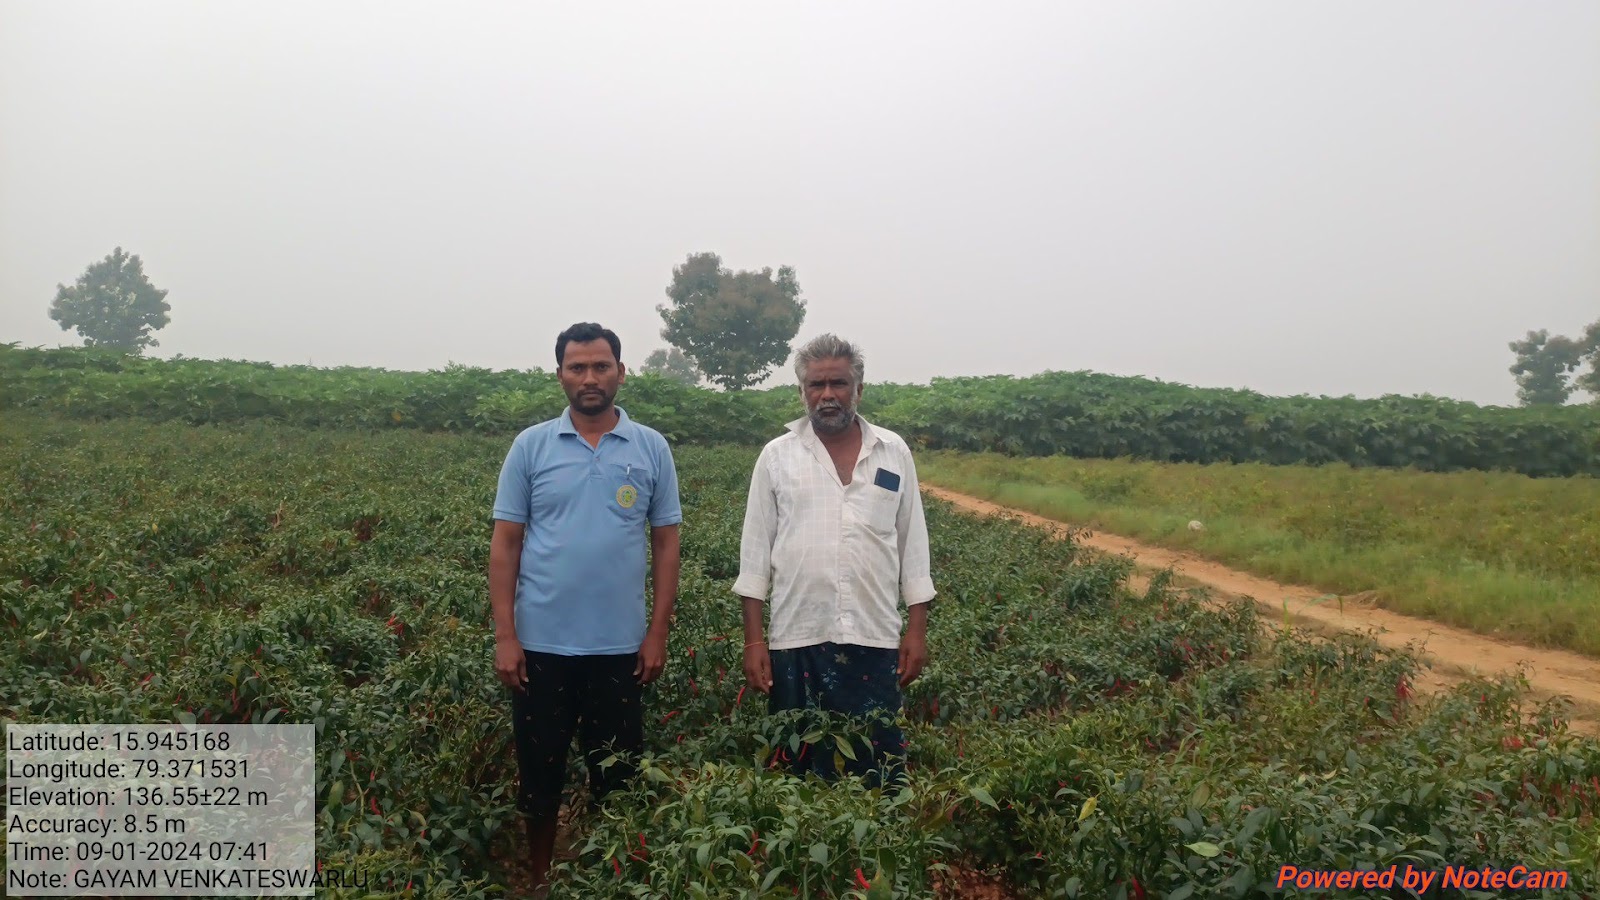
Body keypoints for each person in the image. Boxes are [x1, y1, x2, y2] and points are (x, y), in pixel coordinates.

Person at [488, 322, 682, 890]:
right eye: (578, 367)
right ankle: (541, 877)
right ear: (560, 376)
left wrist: (657, 633)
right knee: (539, 771)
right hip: (541, 647)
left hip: (620, 648)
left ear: (621, 372)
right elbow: (506, 543)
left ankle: (610, 877)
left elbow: (666, 543)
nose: (590, 377)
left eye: (601, 366)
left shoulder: (650, 447)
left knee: (618, 775)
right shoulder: (531, 446)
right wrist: (506, 636)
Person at [733, 333, 935, 786]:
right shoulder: (776, 457)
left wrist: (916, 631)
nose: (828, 394)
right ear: (802, 391)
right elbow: (755, 556)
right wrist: (753, 642)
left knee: (878, 772)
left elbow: (913, 548)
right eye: (817, 385)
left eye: (839, 384)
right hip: (797, 636)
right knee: (797, 775)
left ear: (858, 389)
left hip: (874, 634)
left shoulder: (893, 452)